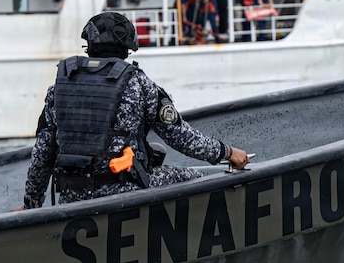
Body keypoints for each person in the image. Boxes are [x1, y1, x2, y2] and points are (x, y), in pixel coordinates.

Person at [22, 12, 248, 209]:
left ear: (89, 46)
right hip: (124, 189)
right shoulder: (137, 83)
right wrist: (226, 152)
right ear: (126, 49)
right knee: (194, 177)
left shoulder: (59, 87)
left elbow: (43, 154)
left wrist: (31, 205)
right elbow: (181, 137)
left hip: (72, 196)